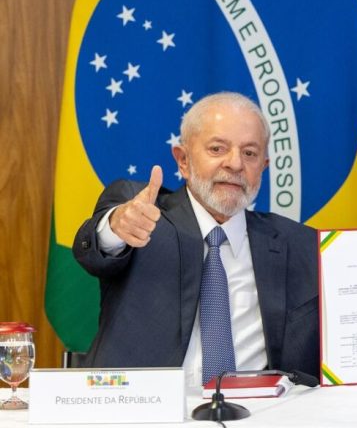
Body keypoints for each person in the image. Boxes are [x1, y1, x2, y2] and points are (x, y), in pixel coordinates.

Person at [73, 92, 319, 387]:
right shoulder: (145, 213)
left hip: (258, 414)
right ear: (184, 160)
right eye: (218, 149)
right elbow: (92, 249)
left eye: (250, 153)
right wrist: (117, 227)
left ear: (263, 167)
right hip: (147, 412)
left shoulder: (301, 244)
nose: (235, 164)